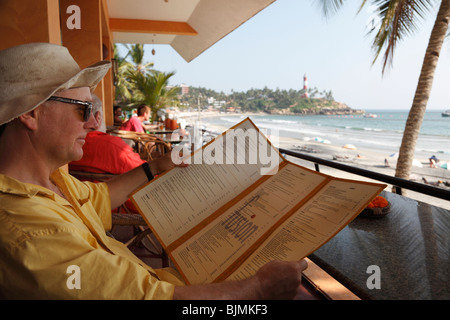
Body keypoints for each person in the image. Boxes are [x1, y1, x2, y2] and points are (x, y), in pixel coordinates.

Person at [0, 43, 309, 299]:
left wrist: (157, 166)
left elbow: (102, 197)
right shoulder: (27, 232)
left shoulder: (53, 182)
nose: (95, 123)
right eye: (83, 109)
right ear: (31, 113)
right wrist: (257, 291)